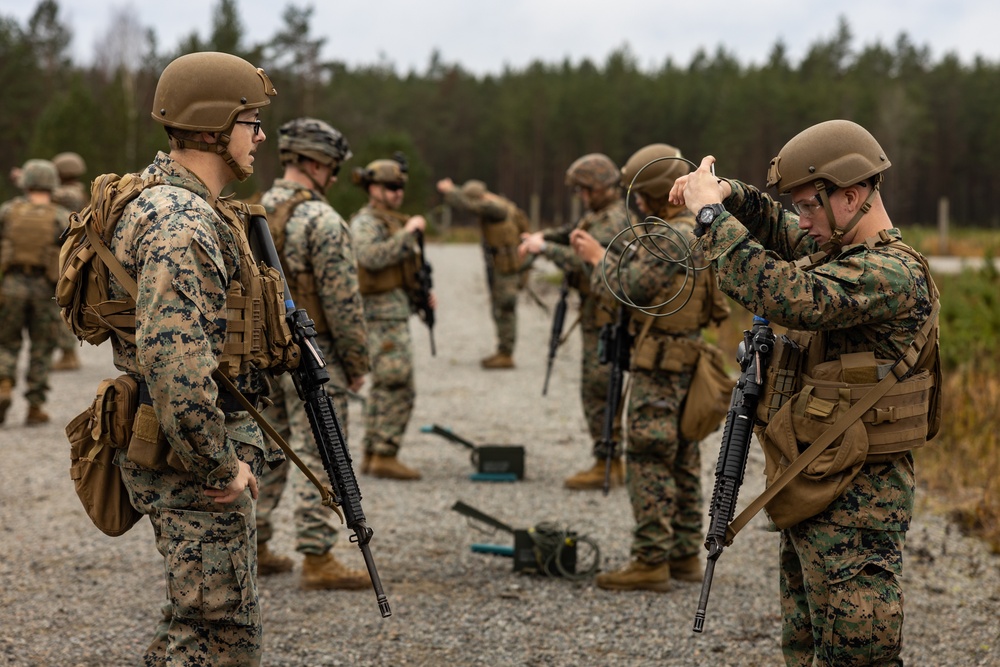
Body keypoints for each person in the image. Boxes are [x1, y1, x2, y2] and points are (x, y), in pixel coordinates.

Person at [669, 119, 939, 665]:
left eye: (811, 206)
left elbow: (789, 294)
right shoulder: (840, 248)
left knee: (855, 652)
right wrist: (727, 192)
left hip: (861, 497)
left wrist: (707, 216)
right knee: (806, 643)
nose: (802, 220)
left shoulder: (888, 272)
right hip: (817, 474)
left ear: (853, 196)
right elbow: (773, 225)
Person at [107, 52, 291, 665]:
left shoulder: (185, 208)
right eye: (252, 121)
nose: (261, 136)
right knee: (212, 635)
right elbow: (176, 367)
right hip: (192, 463)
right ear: (216, 126)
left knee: (213, 626)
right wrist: (219, 466)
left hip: (192, 453)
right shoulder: (180, 223)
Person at [569, 144, 730, 592]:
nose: (634, 202)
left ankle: (650, 560)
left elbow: (633, 286)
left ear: (652, 195)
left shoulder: (668, 236)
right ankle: (681, 555)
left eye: (638, 194)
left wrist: (597, 259)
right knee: (680, 455)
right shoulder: (694, 229)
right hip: (687, 358)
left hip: (661, 361)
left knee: (648, 455)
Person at [253, 117, 371, 589]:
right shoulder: (323, 220)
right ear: (316, 163)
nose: (335, 176)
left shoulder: (248, 211)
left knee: (267, 449)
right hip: (313, 356)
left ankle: (254, 543)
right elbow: (344, 303)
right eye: (333, 167)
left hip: (261, 355)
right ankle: (318, 556)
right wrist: (358, 364)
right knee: (322, 451)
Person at [518, 153, 631, 489]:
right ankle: (606, 457)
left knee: (600, 387)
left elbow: (586, 262)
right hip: (596, 313)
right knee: (595, 387)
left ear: (600, 187)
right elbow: (571, 234)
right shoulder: (599, 215)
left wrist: (544, 250)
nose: (581, 197)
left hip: (606, 317)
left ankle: (608, 460)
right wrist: (543, 238)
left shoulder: (613, 220)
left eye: (585, 190)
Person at [350, 157, 435, 480]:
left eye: (400, 187)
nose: (398, 193)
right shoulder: (366, 223)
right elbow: (370, 258)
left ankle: (376, 452)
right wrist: (409, 234)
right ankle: (384, 452)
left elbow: (403, 270)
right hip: (379, 316)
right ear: (372, 188)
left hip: (393, 311)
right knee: (397, 384)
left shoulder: (390, 221)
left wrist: (421, 297)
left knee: (388, 384)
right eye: (390, 187)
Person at [0, 159, 70, 425]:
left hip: (11, 286)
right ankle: (34, 406)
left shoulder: (8, 211)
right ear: (52, 184)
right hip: (45, 290)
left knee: (6, 342)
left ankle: (4, 383)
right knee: (42, 347)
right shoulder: (60, 216)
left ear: (26, 182)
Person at [437, 177, 527, 368]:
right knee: (502, 307)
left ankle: (506, 354)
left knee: (504, 308)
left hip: (505, 266)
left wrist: (450, 191)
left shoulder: (495, 208)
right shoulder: (502, 203)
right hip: (505, 264)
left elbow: (469, 205)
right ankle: (503, 350)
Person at [50, 151, 89, 371]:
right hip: (73, 252)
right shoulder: (79, 190)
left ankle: (68, 354)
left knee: (59, 303)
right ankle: (68, 353)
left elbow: (44, 194)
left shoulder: (67, 194)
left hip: (62, 254)